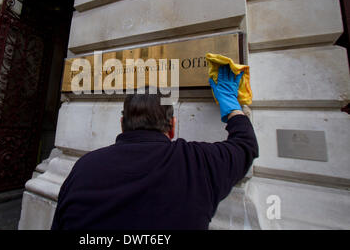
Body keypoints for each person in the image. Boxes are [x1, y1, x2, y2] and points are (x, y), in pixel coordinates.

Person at [51, 65, 259, 230]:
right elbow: (245, 144)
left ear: (122, 124)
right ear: (172, 127)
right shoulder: (197, 162)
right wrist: (232, 106)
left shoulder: (84, 168)